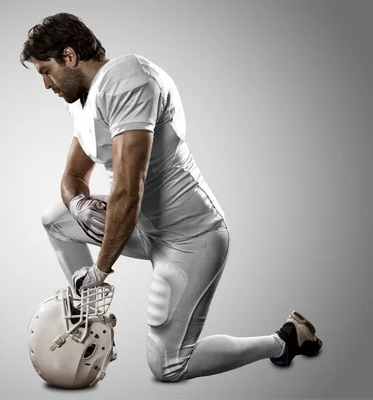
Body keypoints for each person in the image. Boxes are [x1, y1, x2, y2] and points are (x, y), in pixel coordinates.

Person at [20, 13, 322, 382]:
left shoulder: (127, 79)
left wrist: (100, 269)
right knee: (57, 219)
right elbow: (72, 176)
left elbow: (130, 190)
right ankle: (88, 316)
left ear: (69, 56)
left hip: (190, 238)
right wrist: (79, 204)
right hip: (144, 230)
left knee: (168, 366)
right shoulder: (83, 99)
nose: (46, 85)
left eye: (45, 71)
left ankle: (285, 340)